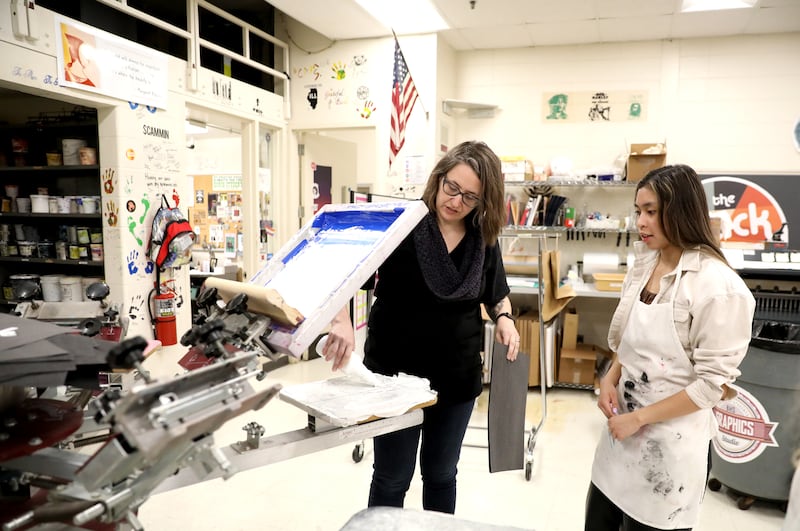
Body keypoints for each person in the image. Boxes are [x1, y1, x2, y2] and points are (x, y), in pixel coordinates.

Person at [321, 140, 521, 514]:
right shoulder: (402, 223)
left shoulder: (482, 238)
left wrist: (505, 319)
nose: (457, 201)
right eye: (452, 188)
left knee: (442, 474)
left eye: (470, 197)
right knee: (392, 477)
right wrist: (341, 321)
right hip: (393, 374)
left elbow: (496, 294)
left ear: (484, 202)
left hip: (457, 376)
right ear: (439, 178)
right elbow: (346, 274)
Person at [585, 164, 755, 531]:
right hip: (620, 439)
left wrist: (639, 419)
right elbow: (630, 338)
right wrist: (610, 378)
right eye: (638, 212)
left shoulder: (718, 287)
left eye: (651, 212)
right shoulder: (645, 265)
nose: (641, 222)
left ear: (679, 212)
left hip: (670, 449)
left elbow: (711, 386)